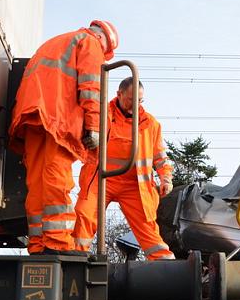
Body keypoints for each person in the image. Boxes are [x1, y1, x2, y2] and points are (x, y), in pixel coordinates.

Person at [9, 20, 119, 256]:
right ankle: (57, 242)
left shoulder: (55, 42)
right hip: (57, 118)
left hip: (32, 115)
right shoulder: (90, 44)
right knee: (56, 178)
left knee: (37, 182)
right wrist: (93, 127)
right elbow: (91, 88)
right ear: (104, 41)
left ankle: (38, 244)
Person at [73, 77, 175, 260]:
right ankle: (75, 259)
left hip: (134, 184)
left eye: (140, 100)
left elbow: (160, 157)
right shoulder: (101, 114)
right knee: (84, 214)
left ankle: (164, 264)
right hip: (101, 178)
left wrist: (166, 179)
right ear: (119, 94)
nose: (135, 104)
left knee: (147, 225)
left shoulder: (151, 124)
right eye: (130, 99)